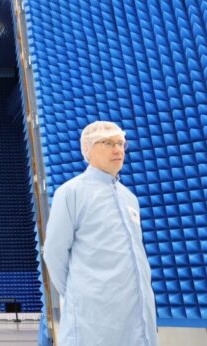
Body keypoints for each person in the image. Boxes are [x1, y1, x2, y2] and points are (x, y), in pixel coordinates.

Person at [43, 121, 158, 345]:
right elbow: (54, 253)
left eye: (121, 143)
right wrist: (82, 293)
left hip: (137, 316)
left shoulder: (129, 198)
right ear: (88, 149)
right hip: (93, 318)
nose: (117, 150)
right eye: (107, 143)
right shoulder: (71, 193)